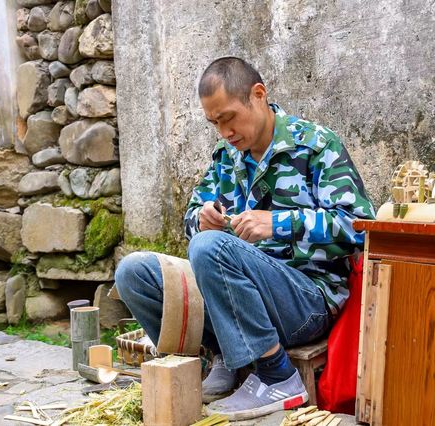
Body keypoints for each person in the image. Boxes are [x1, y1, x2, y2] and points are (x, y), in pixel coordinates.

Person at [115, 57, 375, 421]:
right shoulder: (227, 159)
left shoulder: (316, 145)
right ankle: (219, 358)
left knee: (211, 249)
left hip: (306, 301)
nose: (224, 132)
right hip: (236, 300)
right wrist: (200, 221)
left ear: (258, 95)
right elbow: (191, 220)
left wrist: (279, 224)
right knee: (134, 271)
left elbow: (361, 227)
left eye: (228, 117)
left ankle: (278, 377)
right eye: (214, 123)